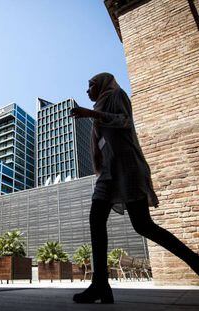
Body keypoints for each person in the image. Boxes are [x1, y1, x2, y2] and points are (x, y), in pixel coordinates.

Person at [70, 72, 199, 304]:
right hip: (109, 172)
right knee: (96, 219)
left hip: (127, 167)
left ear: (102, 85)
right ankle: (100, 285)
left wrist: (91, 113)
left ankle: (196, 263)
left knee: (144, 225)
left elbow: (124, 121)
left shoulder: (116, 95)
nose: (87, 90)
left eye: (90, 85)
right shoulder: (99, 108)